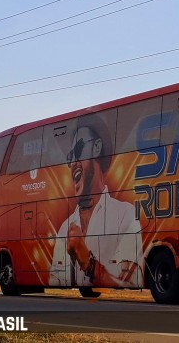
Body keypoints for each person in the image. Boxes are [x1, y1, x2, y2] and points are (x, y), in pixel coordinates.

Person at [49, 115, 143, 288]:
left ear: (97, 147)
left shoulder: (125, 215)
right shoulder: (65, 228)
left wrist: (87, 262)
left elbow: (130, 282)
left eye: (78, 150)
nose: (72, 164)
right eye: (70, 157)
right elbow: (56, 281)